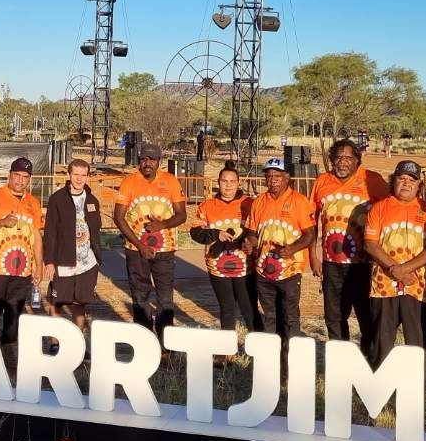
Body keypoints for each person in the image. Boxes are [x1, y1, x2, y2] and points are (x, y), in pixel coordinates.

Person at [309, 140, 390, 362]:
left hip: (364, 263)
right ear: (332, 159)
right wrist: (313, 256)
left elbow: (390, 209)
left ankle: (370, 359)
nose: (343, 162)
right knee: (334, 315)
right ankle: (340, 361)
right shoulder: (322, 181)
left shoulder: (371, 180)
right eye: (338, 157)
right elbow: (311, 221)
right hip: (331, 263)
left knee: (366, 314)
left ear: (358, 160)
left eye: (348, 158)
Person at [363, 160, 426, 387]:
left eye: (412, 180)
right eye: (401, 178)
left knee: (418, 336)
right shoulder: (378, 208)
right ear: (393, 180)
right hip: (383, 285)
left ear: (419, 185)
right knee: (382, 338)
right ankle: (377, 384)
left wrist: (404, 270)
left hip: (416, 286)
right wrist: (393, 269)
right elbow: (370, 244)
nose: (406, 183)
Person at [113, 144, 187, 339]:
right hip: (135, 250)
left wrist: (162, 225)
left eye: (152, 159)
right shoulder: (129, 182)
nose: (147, 163)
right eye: (144, 159)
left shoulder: (170, 181)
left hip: (165, 250)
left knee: (165, 298)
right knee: (140, 297)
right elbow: (118, 217)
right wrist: (140, 246)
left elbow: (182, 215)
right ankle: (144, 341)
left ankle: (165, 344)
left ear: (159, 162)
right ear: (139, 160)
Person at [244, 158, 316, 340]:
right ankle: (272, 356)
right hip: (264, 269)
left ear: (287, 177)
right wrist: (250, 243)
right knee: (270, 315)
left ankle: (292, 354)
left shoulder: (299, 201)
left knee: (290, 315)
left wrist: (292, 249)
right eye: (268, 176)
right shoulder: (259, 201)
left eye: (277, 175)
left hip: (290, 270)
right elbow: (252, 232)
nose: (273, 179)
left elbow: (310, 235)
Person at [0, 156, 44, 344]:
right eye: (17, 175)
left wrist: (38, 266)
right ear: (10, 175)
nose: (20, 180)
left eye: (25, 177)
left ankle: (7, 352)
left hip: (22, 270)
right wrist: (2, 222)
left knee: (14, 315)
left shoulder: (34, 202)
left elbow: (37, 237)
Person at [189, 165, 260, 334]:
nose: (228, 186)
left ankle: (259, 349)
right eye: (224, 181)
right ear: (218, 183)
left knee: (249, 308)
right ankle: (227, 351)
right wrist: (214, 234)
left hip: (246, 267)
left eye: (232, 182)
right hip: (218, 267)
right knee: (227, 308)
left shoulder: (249, 204)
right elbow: (195, 232)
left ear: (238, 183)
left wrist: (249, 242)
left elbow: (258, 230)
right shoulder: (207, 206)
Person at [40, 158, 101, 333]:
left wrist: (97, 257)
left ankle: (78, 340)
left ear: (88, 176)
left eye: (83, 175)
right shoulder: (57, 199)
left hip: (87, 263)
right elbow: (50, 232)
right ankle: (55, 341)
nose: (79, 179)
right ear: (69, 175)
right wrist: (49, 261)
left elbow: (95, 229)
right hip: (63, 262)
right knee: (57, 302)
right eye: (76, 174)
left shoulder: (92, 200)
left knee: (80, 303)